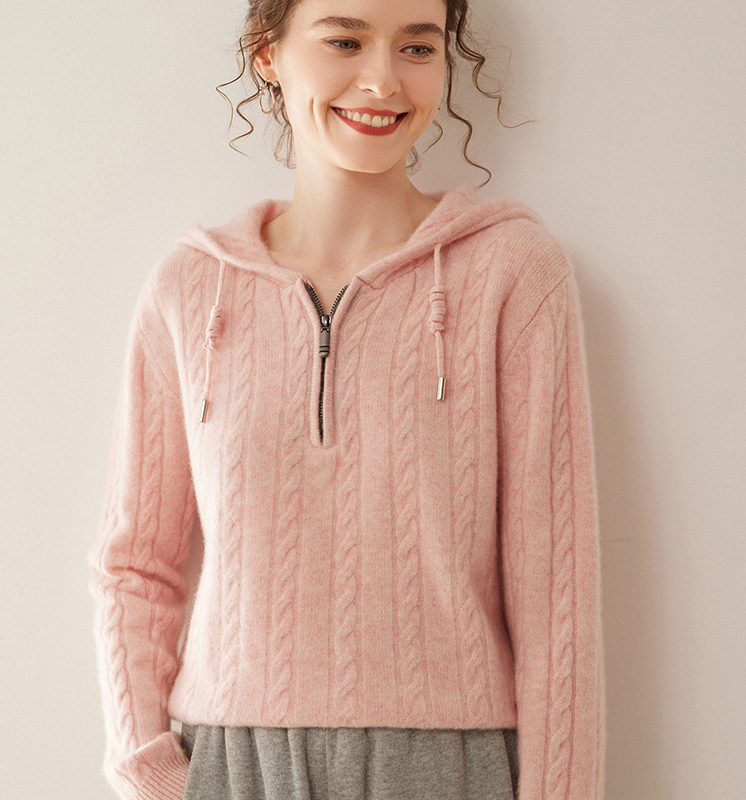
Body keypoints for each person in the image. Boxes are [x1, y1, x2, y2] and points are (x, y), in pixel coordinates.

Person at [89, 0, 605, 798]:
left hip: (449, 766)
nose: (383, 80)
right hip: (232, 764)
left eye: (417, 48)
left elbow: (556, 591)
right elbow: (135, 564)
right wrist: (149, 771)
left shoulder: (513, 274)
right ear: (268, 52)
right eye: (344, 40)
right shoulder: (188, 290)